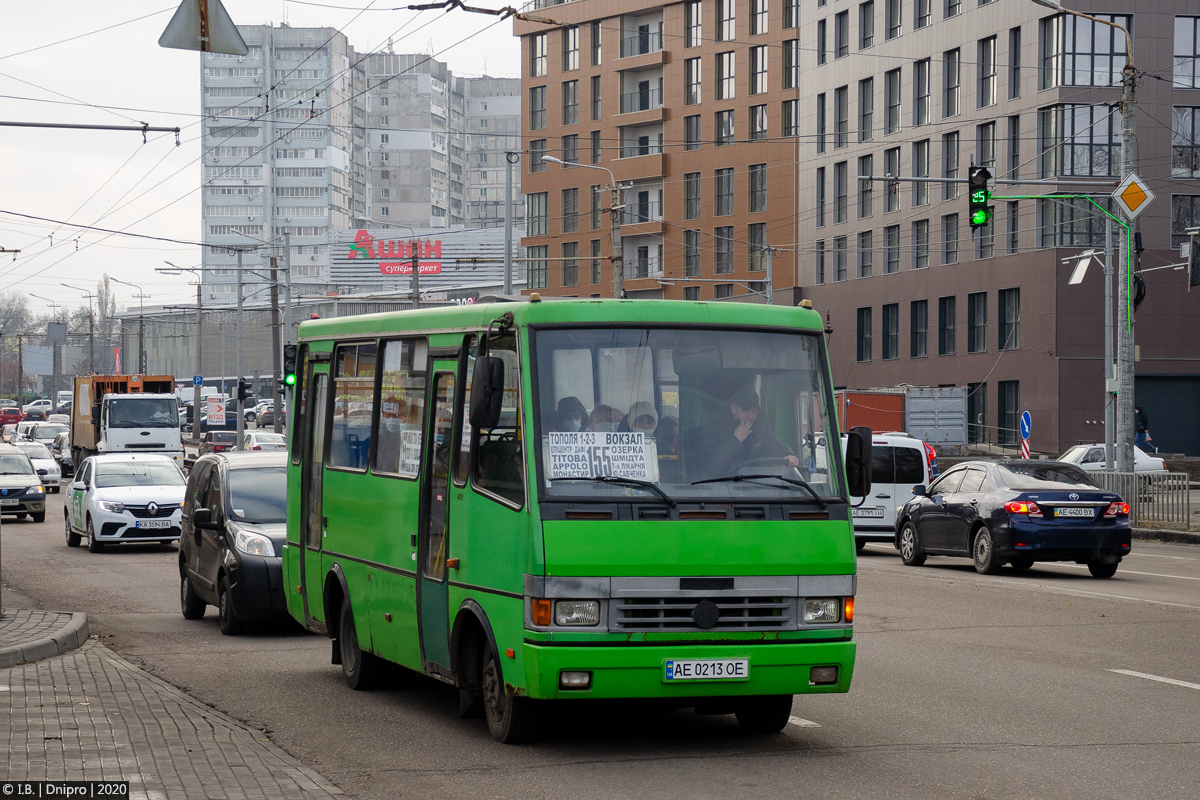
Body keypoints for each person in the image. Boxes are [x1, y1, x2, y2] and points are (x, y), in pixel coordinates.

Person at [695, 385, 800, 479]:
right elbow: (712, 469)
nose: (750, 416)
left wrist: (788, 454)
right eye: (746, 410)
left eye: (754, 411)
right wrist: (736, 440)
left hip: (755, 490)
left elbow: (774, 444)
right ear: (734, 409)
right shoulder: (712, 431)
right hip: (721, 491)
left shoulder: (760, 429)